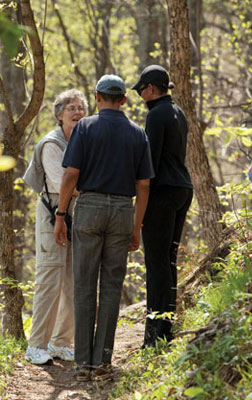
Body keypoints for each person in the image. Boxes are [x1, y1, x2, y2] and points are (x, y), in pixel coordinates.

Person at [54, 75, 154, 381]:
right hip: (123, 210)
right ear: (124, 99)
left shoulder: (84, 127)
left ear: (97, 97)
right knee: (111, 287)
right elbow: (144, 185)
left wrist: (60, 214)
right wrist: (136, 227)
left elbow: (71, 175)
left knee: (84, 285)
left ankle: (83, 364)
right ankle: (102, 363)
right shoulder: (138, 133)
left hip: (90, 209)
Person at [22, 89, 88, 365]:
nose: (76, 112)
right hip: (53, 215)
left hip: (80, 216)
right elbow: (65, 183)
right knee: (49, 277)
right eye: (71, 108)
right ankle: (36, 345)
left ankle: (61, 343)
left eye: (81, 108)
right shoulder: (51, 144)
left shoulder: (87, 140)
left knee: (74, 281)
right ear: (59, 114)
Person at [131, 65, 194, 348]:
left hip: (163, 192)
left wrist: (139, 200)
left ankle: (154, 337)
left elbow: (150, 163)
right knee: (168, 261)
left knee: (156, 263)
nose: (140, 94)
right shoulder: (178, 112)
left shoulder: (155, 115)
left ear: (152, 88)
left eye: (141, 89)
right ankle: (166, 330)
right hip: (183, 188)